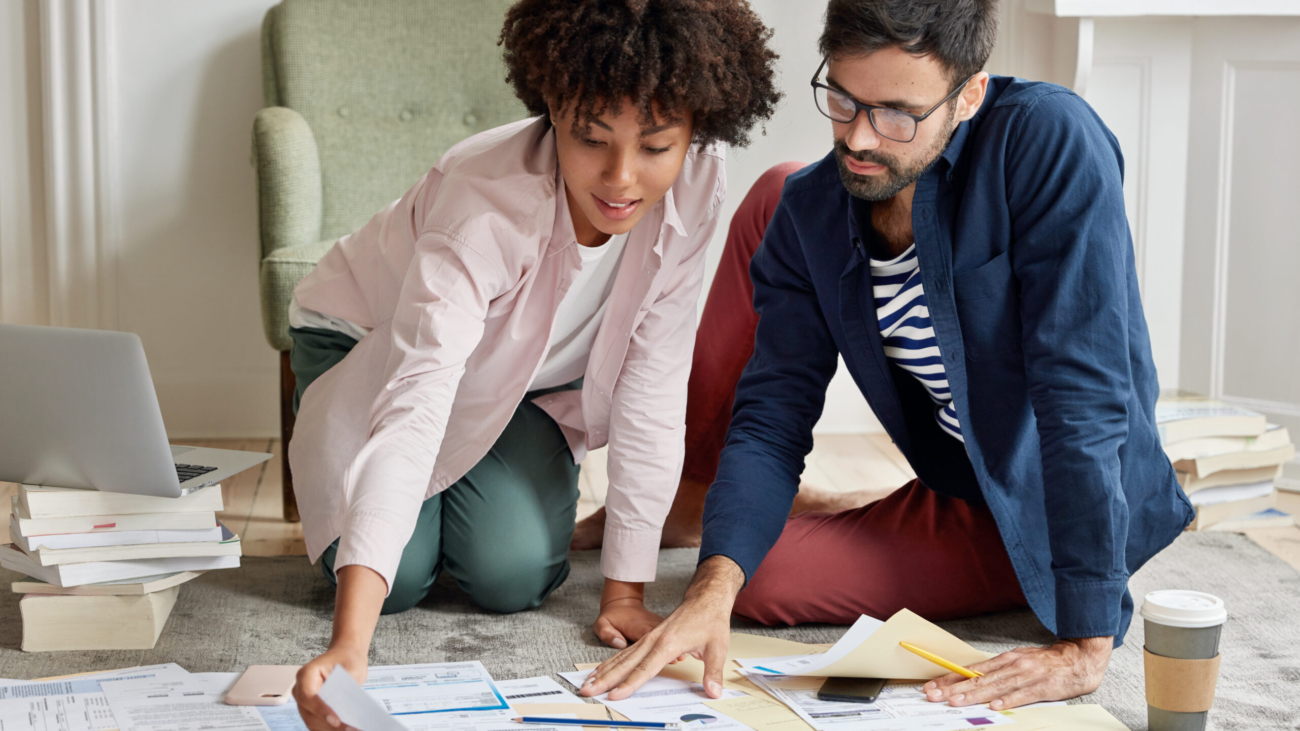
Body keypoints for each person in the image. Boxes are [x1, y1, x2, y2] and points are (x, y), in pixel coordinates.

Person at [581, 0, 1194, 711]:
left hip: (1054, 501)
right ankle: (740, 512)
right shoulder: (812, 211)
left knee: (761, 568)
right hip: (960, 490)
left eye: (897, 113)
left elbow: (1081, 396)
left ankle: (862, 517)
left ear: (968, 94)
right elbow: (771, 415)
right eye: (844, 99)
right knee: (759, 580)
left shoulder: (1049, 140)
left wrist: (1087, 643)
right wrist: (712, 584)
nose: (860, 138)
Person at [283, 1, 780, 728]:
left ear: (694, 132)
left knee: (511, 571)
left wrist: (624, 593)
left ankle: (472, 481)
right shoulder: (483, 204)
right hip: (368, 340)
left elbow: (653, 377)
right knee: (397, 578)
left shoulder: (701, 176)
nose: (621, 178)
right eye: (592, 138)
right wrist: (351, 643)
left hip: (520, 379)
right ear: (553, 104)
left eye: (655, 146)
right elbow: (418, 401)